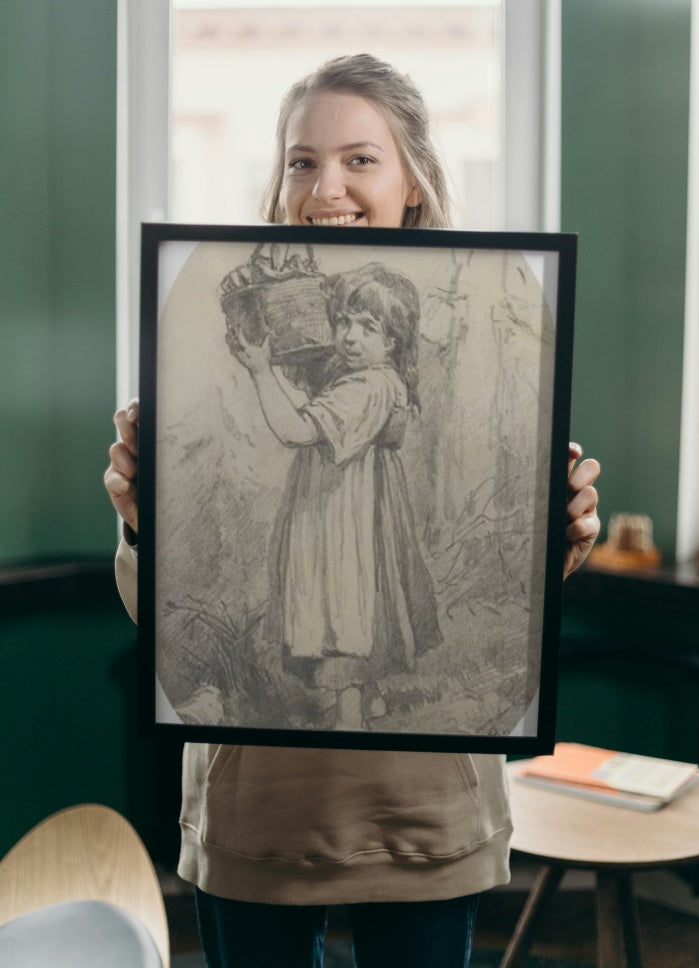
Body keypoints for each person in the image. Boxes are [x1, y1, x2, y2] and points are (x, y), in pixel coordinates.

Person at [105, 53, 601, 968]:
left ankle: (348, 685)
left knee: (346, 602)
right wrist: (142, 523)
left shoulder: (490, 310)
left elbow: (518, 594)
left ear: (413, 179)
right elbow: (159, 615)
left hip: (423, 813)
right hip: (257, 814)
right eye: (301, 160)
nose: (324, 185)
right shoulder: (266, 316)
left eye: (359, 159)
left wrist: (556, 541)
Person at [226, 262, 442, 731]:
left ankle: (350, 721)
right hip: (352, 508)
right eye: (344, 321)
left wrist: (262, 371)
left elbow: (295, 429)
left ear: (393, 342)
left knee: (345, 601)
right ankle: (372, 700)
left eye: (368, 328)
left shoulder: (368, 385)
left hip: (345, 516)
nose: (349, 336)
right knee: (360, 600)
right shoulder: (369, 379)